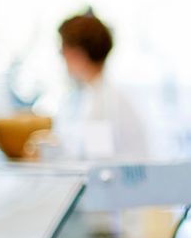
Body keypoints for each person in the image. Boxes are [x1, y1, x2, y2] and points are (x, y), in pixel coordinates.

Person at [53, 10, 149, 160]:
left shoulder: (102, 105)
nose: (62, 58)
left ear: (78, 54)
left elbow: (99, 164)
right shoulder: (96, 96)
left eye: (62, 51)